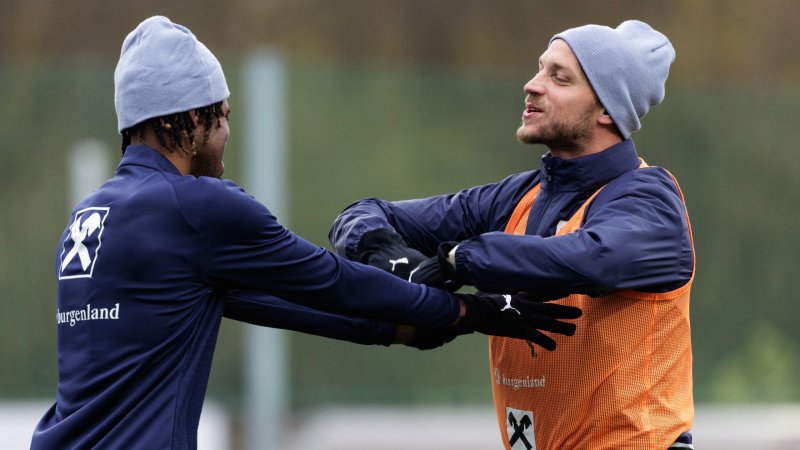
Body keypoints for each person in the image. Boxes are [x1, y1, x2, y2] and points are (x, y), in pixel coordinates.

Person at [30, 16, 583, 449]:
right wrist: (465, 312)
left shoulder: (93, 215)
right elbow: (334, 280)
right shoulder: (197, 209)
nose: (226, 133)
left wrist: (404, 331)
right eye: (222, 115)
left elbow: (278, 304)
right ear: (192, 118)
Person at [330, 20, 695, 450]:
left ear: (606, 110)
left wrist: (459, 259)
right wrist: (385, 252)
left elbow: (589, 259)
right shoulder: (517, 195)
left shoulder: (649, 198)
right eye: (540, 69)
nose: (532, 85)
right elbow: (363, 213)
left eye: (559, 78)